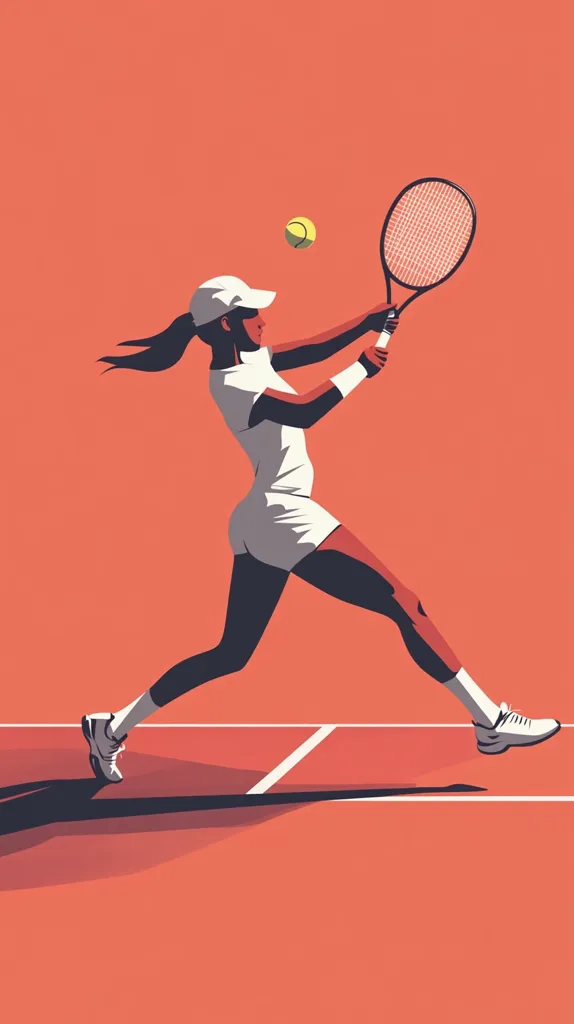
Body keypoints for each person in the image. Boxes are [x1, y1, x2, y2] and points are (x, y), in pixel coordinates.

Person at [82, 276, 560, 782]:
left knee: (231, 653)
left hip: (259, 519)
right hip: (284, 515)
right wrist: (360, 370)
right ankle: (489, 722)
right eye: (252, 313)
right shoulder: (233, 383)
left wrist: (366, 322)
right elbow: (304, 411)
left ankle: (111, 726)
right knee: (404, 603)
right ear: (225, 324)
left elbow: (311, 348)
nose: (263, 320)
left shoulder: (251, 360)